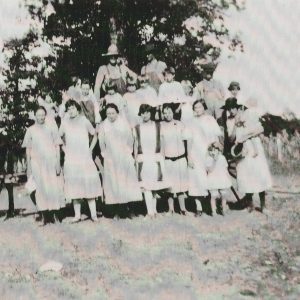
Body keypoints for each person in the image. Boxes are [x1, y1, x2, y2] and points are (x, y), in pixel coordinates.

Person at [59, 100, 102, 222]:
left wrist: (90, 150)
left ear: (77, 109)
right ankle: (77, 215)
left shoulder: (84, 120)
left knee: (88, 184)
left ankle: (93, 215)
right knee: (74, 185)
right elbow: (58, 137)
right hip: (72, 159)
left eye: (72, 108)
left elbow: (94, 134)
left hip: (84, 157)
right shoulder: (65, 122)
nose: (71, 111)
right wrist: (65, 150)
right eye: (68, 109)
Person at [98, 104, 142, 218]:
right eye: (108, 113)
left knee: (127, 183)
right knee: (114, 184)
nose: (111, 116)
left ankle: (130, 210)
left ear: (117, 113)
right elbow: (101, 142)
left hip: (124, 157)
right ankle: (117, 211)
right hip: (111, 159)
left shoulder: (123, 123)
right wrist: (105, 155)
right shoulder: (103, 125)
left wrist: (128, 152)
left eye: (113, 113)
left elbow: (130, 139)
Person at [22, 106, 64, 225]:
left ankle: (55, 214)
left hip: (51, 162)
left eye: (42, 115)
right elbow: (28, 150)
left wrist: (58, 162)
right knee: (40, 189)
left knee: (53, 188)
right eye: (38, 115)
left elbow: (57, 146)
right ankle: (45, 216)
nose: (41, 117)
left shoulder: (51, 127)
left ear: (45, 115)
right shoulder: (30, 130)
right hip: (37, 164)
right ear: (35, 116)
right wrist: (29, 167)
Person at [233, 106, 272, 213]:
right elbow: (238, 139)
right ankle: (250, 205)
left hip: (256, 153)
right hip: (246, 152)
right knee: (247, 177)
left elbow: (260, 130)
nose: (244, 119)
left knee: (260, 176)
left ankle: (263, 206)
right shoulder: (240, 128)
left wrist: (248, 135)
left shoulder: (256, 126)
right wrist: (244, 137)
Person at [133, 104, 170, 218]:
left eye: (148, 112)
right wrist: (135, 160)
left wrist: (162, 157)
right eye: (143, 113)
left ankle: (154, 211)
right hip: (143, 159)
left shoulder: (158, 126)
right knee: (146, 186)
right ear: (140, 114)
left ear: (151, 113)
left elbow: (162, 142)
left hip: (156, 158)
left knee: (154, 186)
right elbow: (136, 145)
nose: (145, 115)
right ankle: (149, 212)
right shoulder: (137, 127)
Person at [187, 100, 222, 216]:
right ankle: (199, 207)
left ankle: (214, 206)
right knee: (197, 179)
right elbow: (189, 139)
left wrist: (217, 150)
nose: (198, 109)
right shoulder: (191, 122)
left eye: (200, 107)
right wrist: (189, 156)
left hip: (210, 152)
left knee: (213, 178)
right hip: (196, 153)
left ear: (204, 108)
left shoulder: (210, 120)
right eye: (195, 107)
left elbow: (217, 137)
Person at [161, 104, 189, 215]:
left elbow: (186, 140)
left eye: (169, 112)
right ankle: (170, 209)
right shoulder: (161, 126)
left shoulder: (180, 124)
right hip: (167, 159)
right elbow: (161, 143)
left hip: (180, 159)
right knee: (169, 186)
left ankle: (183, 208)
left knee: (181, 185)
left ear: (173, 113)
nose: (167, 115)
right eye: (165, 112)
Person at [206, 142, 232, 216]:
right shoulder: (209, 159)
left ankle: (223, 209)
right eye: (211, 150)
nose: (213, 152)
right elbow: (210, 170)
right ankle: (213, 210)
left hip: (222, 178)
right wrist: (214, 160)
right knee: (213, 195)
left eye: (216, 150)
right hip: (213, 178)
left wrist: (229, 177)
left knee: (224, 194)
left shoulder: (222, 158)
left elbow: (225, 169)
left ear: (219, 151)